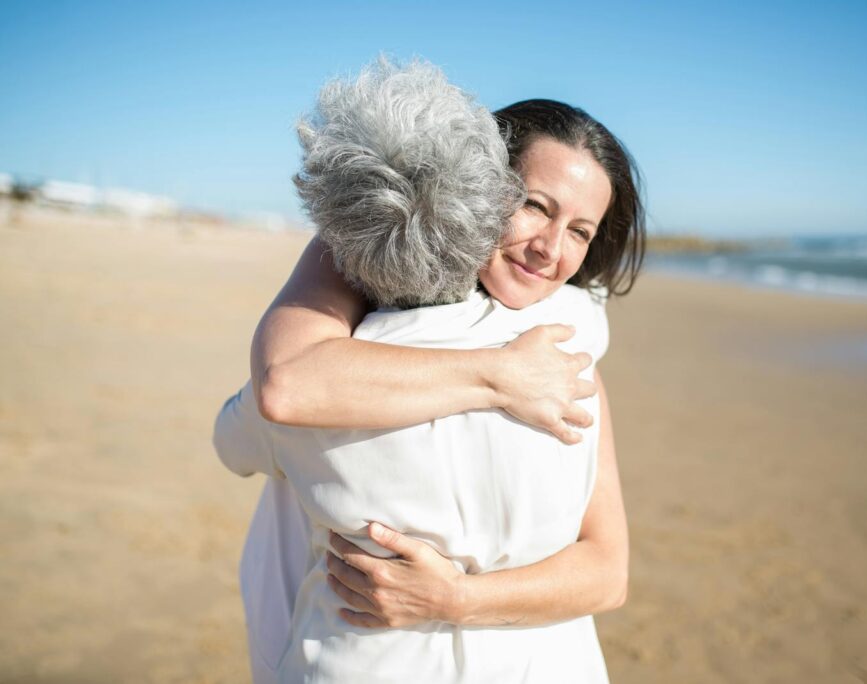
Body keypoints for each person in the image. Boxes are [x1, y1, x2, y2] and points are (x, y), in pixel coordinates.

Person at [216, 59, 645, 683]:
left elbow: (609, 571)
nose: (550, 249)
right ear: (475, 182)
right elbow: (285, 386)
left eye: (579, 231)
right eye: (533, 205)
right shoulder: (365, 343)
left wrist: (457, 601)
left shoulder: (568, 358)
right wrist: (498, 374)